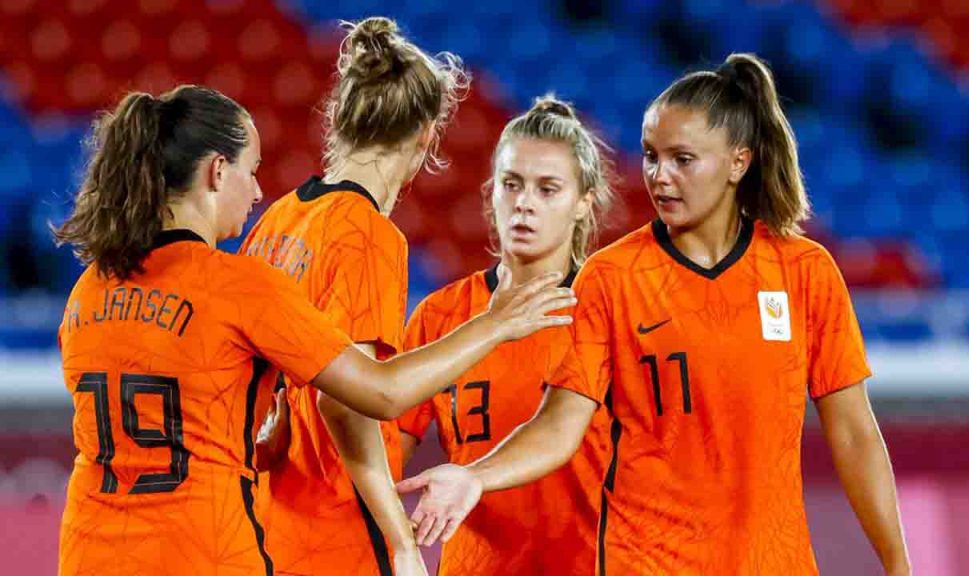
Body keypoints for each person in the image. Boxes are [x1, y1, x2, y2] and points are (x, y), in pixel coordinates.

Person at [397, 53, 912, 576]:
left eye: (681, 160)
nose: (659, 177)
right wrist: (475, 477)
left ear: (739, 162)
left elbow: (854, 433)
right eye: (650, 156)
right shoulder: (613, 277)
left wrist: (897, 563)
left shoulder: (804, 271)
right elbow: (558, 425)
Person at [52, 85, 574, 576]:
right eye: (251, 171)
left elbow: (162, 431)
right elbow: (381, 393)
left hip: (86, 549)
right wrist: (496, 323)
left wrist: (265, 440)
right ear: (216, 172)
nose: (257, 191)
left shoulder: (88, 293)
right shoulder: (236, 285)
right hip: (200, 549)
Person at [239, 16, 470, 576]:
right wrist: (402, 540)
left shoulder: (279, 219)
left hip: (266, 519)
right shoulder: (370, 235)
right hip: (336, 523)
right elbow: (345, 400)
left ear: (340, 120)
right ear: (425, 136)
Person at [397, 95, 615, 575]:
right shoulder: (441, 315)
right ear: (491, 192)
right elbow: (387, 449)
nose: (524, 204)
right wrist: (400, 547)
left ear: (584, 203)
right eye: (512, 184)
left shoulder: (612, 311)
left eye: (547, 189)